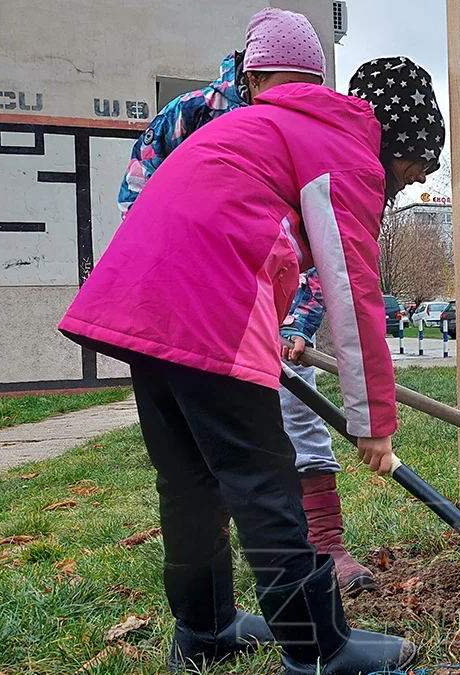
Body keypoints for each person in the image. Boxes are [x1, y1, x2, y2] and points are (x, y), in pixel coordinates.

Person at [59, 10, 444, 675]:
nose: (399, 180)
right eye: (405, 169)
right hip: (205, 308)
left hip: (137, 300)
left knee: (190, 479)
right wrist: (373, 422)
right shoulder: (338, 142)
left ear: (259, 76)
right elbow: (352, 290)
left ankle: (204, 629)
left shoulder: (245, 125)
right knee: (266, 481)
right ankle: (319, 646)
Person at [117, 16, 375, 595]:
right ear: (255, 79)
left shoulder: (308, 130)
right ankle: (312, 644)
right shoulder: (192, 117)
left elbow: (318, 243)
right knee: (242, 466)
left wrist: (297, 324)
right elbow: (142, 205)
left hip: (269, 306)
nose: (299, 102)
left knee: (297, 425)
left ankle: (320, 550)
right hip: (192, 306)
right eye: (287, 87)